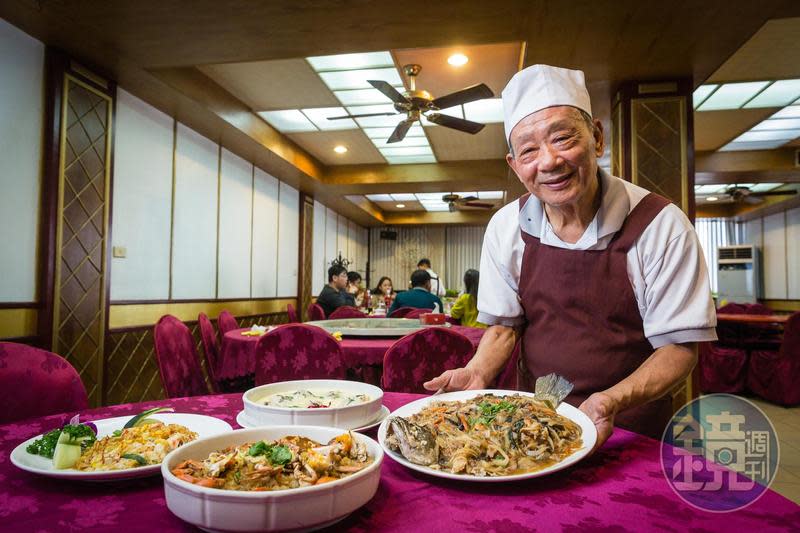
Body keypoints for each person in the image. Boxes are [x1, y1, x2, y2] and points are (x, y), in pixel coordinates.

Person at [424, 64, 716, 446]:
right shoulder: (506, 226)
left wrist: (610, 401)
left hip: (631, 429)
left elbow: (679, 348)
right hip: (532, 424)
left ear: (596, 138)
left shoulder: (660, 225)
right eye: (528, 150)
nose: (548, 161)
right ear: (514, 166)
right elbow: (503, 327)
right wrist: (477, 372)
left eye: (562, 138)